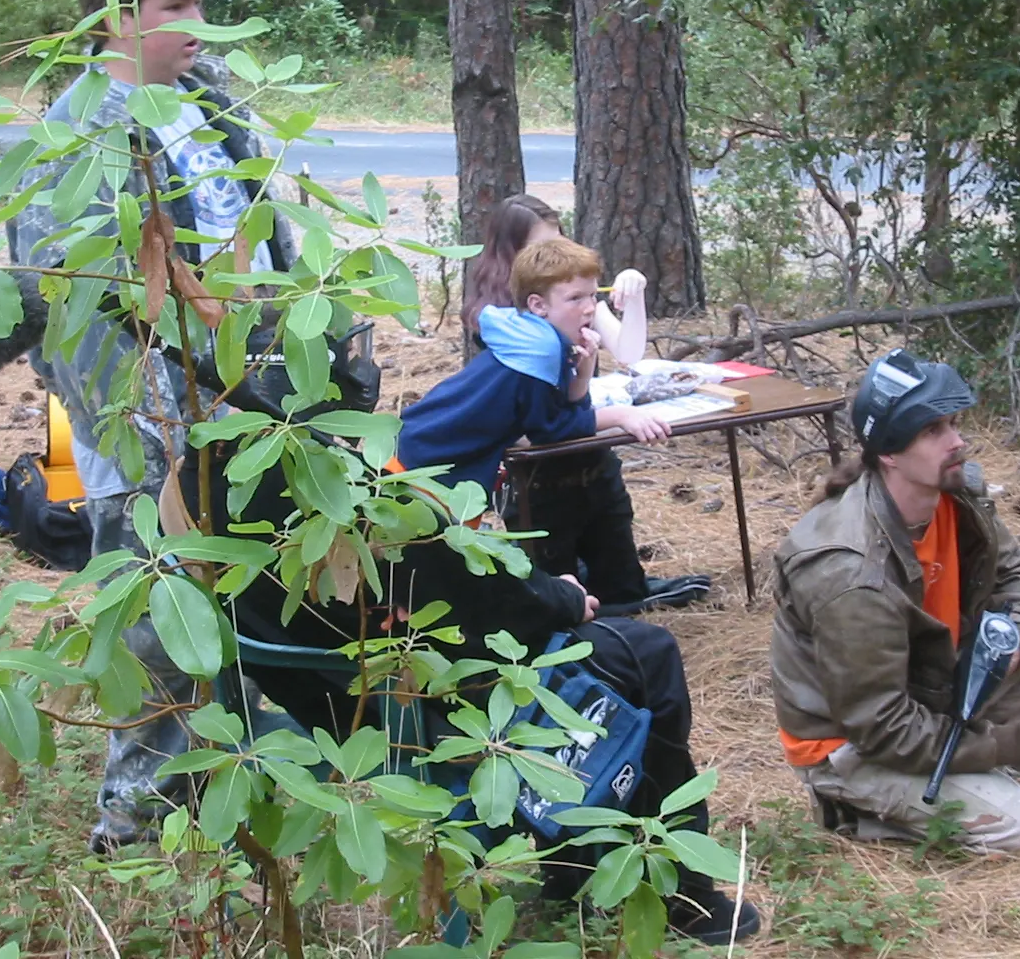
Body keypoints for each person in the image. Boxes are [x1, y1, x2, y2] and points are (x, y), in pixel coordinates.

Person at [249, 234, 752, 943]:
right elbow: (479, 600)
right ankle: (681, 888)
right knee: (650, 655)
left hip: (342, 694)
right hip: (437, 689)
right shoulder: (403, 502)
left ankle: (584, 857)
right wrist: (564, 598)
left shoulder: (227, 487)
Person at [7, 0, 305, 852]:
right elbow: (67, 304)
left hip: (249, 408)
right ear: (115, 19)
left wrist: (302, 353)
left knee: (255, 597)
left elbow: (262, 233)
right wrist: (152, 438)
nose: (201, 26)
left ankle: (242, 786)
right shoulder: (78, 132)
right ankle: (135, 823)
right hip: (147, 426)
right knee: (154, 626)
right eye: (179, 8)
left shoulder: (207, 102)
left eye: (202, 4)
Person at [769, 348, 1020, 852]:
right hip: (851, 743)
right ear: (890, 453)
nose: (957, 442)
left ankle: (971, 751)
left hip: (924, 681)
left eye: (954, 424)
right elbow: (883, 726)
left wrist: (1013, 646)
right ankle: (847, 805)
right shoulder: (849, 571)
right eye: (933, 431)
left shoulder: (954, 494)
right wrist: (1011, 742)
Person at [461, 195, 662, 612]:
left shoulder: (572, 295)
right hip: (537, 478)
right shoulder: (507, 326)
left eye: (559, 240)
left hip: (588, 458)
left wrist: (633, 293)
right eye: (540, 247)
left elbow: (627, 350)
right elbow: (534, 429)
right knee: (558, 595)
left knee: (621, 581)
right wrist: (620, 415)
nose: (554, 255)